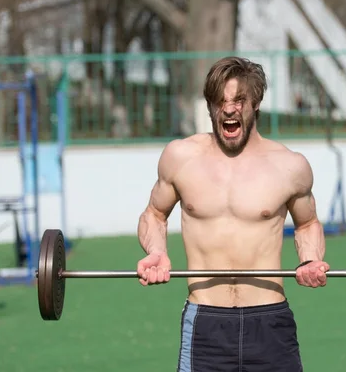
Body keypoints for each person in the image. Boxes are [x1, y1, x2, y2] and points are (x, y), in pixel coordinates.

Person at [136, 56, 329, 372]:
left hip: (269, 319)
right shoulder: (180, 157)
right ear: (210, 106)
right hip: (205, 323)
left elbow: (307, 223)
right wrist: (157, 250)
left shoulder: (290, 166)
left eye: (239, 100)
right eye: (220, 101)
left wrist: (309, 259)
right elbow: (154, 214)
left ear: (256, 104)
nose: (229, 109)